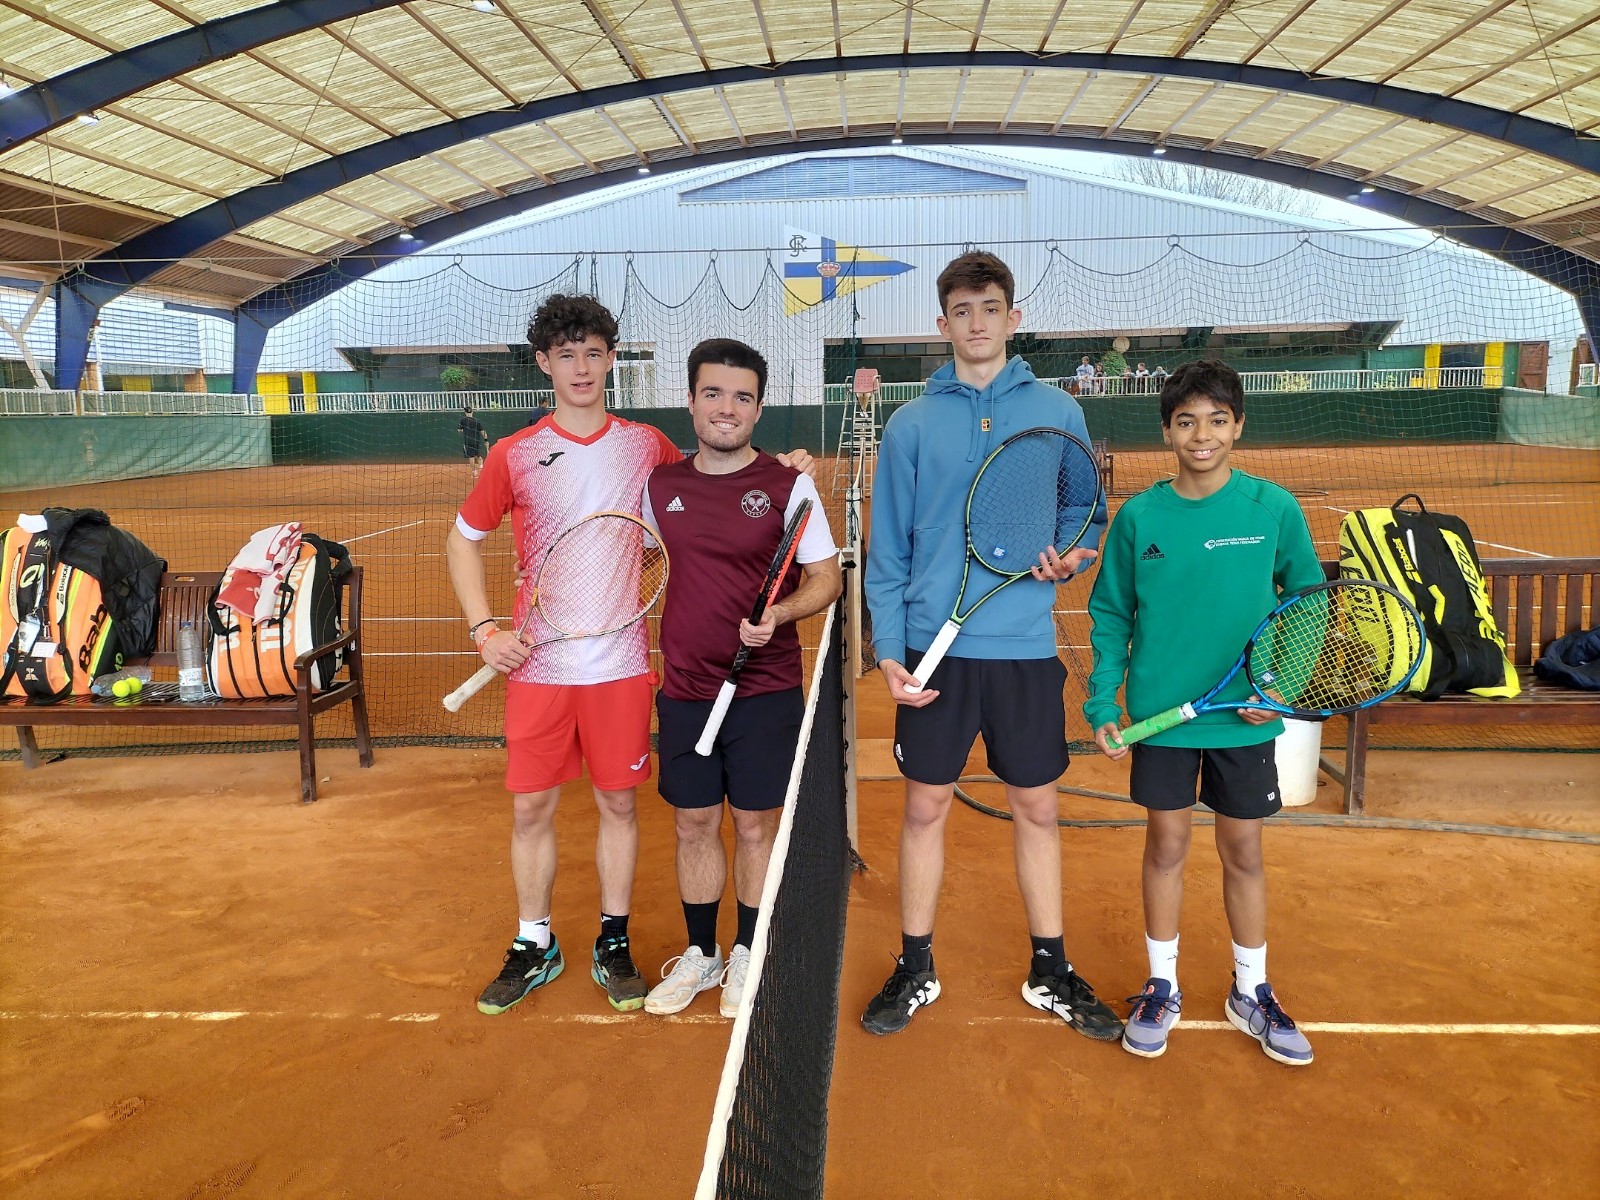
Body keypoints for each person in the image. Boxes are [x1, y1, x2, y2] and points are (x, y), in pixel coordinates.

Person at [447, 295, 817, 1019]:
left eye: (594, 353)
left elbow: (717, 479)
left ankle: (613, 941)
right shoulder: (513, 453)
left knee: (619, 804)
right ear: (544, 364)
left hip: (620, 666)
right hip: (537, 666)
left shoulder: (647, 447)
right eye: (566, 355)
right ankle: (534, 941)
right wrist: (485, 628)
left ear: (612, 358)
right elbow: (463, 540)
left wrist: (787, 466)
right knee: (531, 807)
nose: (581, 368)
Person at [861, 250, 1121, 1040]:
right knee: (924, 807)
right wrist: (889, 649)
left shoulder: (1058, 410)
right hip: (934, 651)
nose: (976, 323)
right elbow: (889, 549)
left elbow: (1085, 511)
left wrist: (1069, 555)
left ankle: (1050, 968)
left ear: (1014, 317)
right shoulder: (910, 424)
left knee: (1037, 807)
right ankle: (915, 963)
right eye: (962, 311)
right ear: (942, 324)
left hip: (1023, 647)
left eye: (990, 308)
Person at [1083, 358, 1323, 1066]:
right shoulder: (1140, 518)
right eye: (1186, 421)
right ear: (1167, 430)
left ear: (1238, 425)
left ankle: (1251, 990)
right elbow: (1111, 614)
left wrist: (1278, 687)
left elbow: (1308, 603)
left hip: (1245, 717)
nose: (1202, 435)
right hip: (1163, 721)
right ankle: (1162, 985)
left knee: (1243, 851)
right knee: (1166, 845)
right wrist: (1102, 699)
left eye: (1217, 420)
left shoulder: (1272, 509)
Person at [639, 338, 841, 1017]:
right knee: (694, 823)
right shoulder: (659, 487)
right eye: (714, 393)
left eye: (742, 397)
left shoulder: (790, 485)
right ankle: (702, 955)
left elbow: (826, 578)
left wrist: (779, 613)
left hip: (764, 691)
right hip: (686, 690)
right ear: (691, 401)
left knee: (755, 826)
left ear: (758, 409)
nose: (727, 408)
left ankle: (749, 951)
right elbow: (639, 558)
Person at [457, 405, 488, 481]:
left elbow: (459, 430)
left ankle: (474, 472)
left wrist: (464, 430)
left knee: (471, 457)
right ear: (472, 412)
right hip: (476, 440)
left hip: (468, 441)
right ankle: (482, 467)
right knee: (478, 455)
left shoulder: (463, 420)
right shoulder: (477, 421)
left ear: (465, 412)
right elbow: (482, 431)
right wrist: (486, 439)